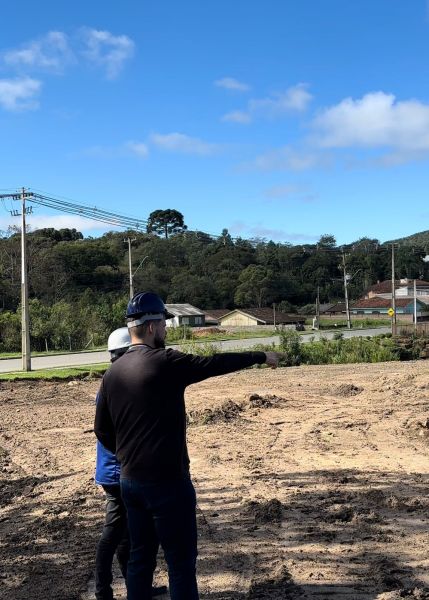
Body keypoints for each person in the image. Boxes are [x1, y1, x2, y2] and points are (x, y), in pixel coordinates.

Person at [94, 292, 283, 600]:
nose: (166, 331)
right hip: (169, 483)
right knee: (180, 564)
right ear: (153, 326)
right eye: (165, 325)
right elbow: (214, 363)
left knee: (140, 560)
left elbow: (102, 430)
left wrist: (128, 454)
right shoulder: (165, 362)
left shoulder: (112, 374)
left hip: (130, 483)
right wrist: (259, 356)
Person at [94, 327, 167, 600]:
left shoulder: (113, 380)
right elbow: (105, 432)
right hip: (117, 472)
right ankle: (103, 591)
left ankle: (137, 587)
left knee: (125, 537)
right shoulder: (119, 384)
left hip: (116, 470)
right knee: (112, 535)